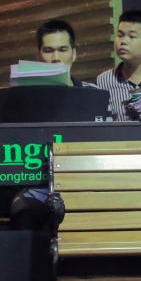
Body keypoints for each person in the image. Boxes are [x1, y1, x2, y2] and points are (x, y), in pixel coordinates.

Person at [10, 19, 89, 226]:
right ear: (38, 56)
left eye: (63, 50)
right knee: (23, 210)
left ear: (74, 53)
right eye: (48, 51)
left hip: (83, 183)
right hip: (37, 186)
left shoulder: (92, 94)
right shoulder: (23, 98)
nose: (55, 58)